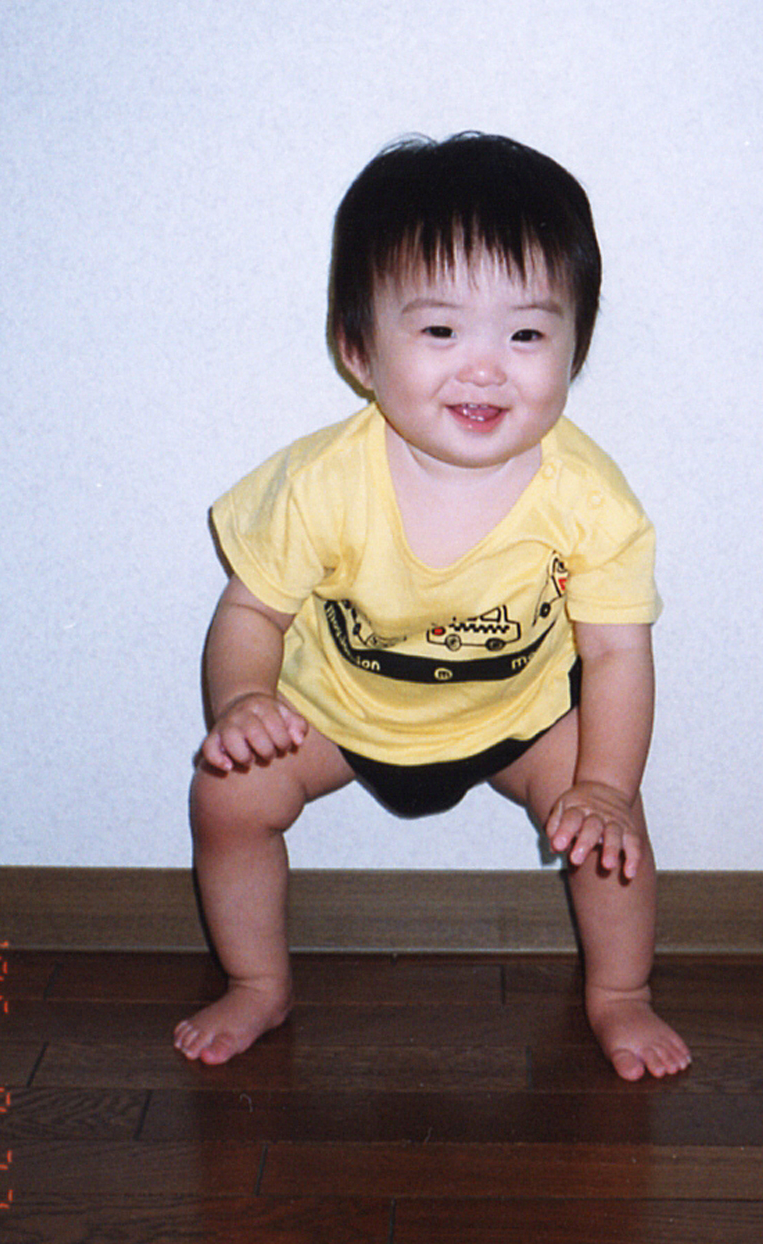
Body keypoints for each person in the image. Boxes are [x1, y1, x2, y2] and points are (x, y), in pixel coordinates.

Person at [174, 133, 692, 1081]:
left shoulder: (589, 501)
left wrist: (606, 788)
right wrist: (242, 702)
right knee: (226, 797)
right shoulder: (318, 484)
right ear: (358, 350)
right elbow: (251, 614)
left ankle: (621, 991)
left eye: (526, 336)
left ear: (574, 348)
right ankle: (256, 982)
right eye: (441, 332)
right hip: (338, 715)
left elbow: (616, 653)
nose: (485, 368)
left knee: (609, 835)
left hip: (518, 718)